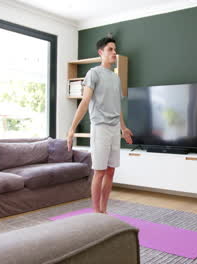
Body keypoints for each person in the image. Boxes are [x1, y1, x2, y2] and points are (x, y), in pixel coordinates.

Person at [67, 37, 133, 214]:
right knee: (100, 171)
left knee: (111, 171)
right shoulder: (93, 73)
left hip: (113, 129)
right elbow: (85, 101)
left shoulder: (116, 78)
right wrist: (72, 129)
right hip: (100, 128)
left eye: (115, 50)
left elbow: (117, 107)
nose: (114, 53)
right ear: (100, 53)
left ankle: (104, 210)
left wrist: (123, 128)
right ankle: (96, 212)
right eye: (110, 49)